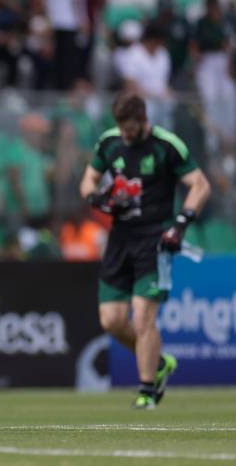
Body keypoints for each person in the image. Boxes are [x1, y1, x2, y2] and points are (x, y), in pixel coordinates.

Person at [79, 92, 210, 409]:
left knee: (143, 319)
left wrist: (180, 225)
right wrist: (98, 199)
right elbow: (87, 183)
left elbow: (200, 185)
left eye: (130, 127)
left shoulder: (167, 145)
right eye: (121, 127)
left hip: (154, 241)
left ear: (143, 120)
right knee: (111, 321)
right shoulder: (109, 142)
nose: (125, 133)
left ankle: (148, 390)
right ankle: (160, 361)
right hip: (120, 240)